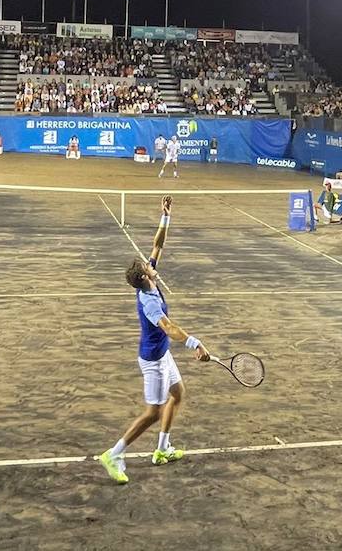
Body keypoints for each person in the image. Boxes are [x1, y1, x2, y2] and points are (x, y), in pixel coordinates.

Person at [98, 197, 208, 484]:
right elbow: (169, 327)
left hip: (162, 355)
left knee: (178, 394)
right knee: (152, 413)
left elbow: (158, 244)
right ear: (146, 278)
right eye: (149, 269)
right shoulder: (149, 302)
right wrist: (194, 343)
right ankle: (114, 453)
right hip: (153, 362)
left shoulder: (148, 280)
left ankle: (161, 450)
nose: (153, 266)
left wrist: (165, 217)